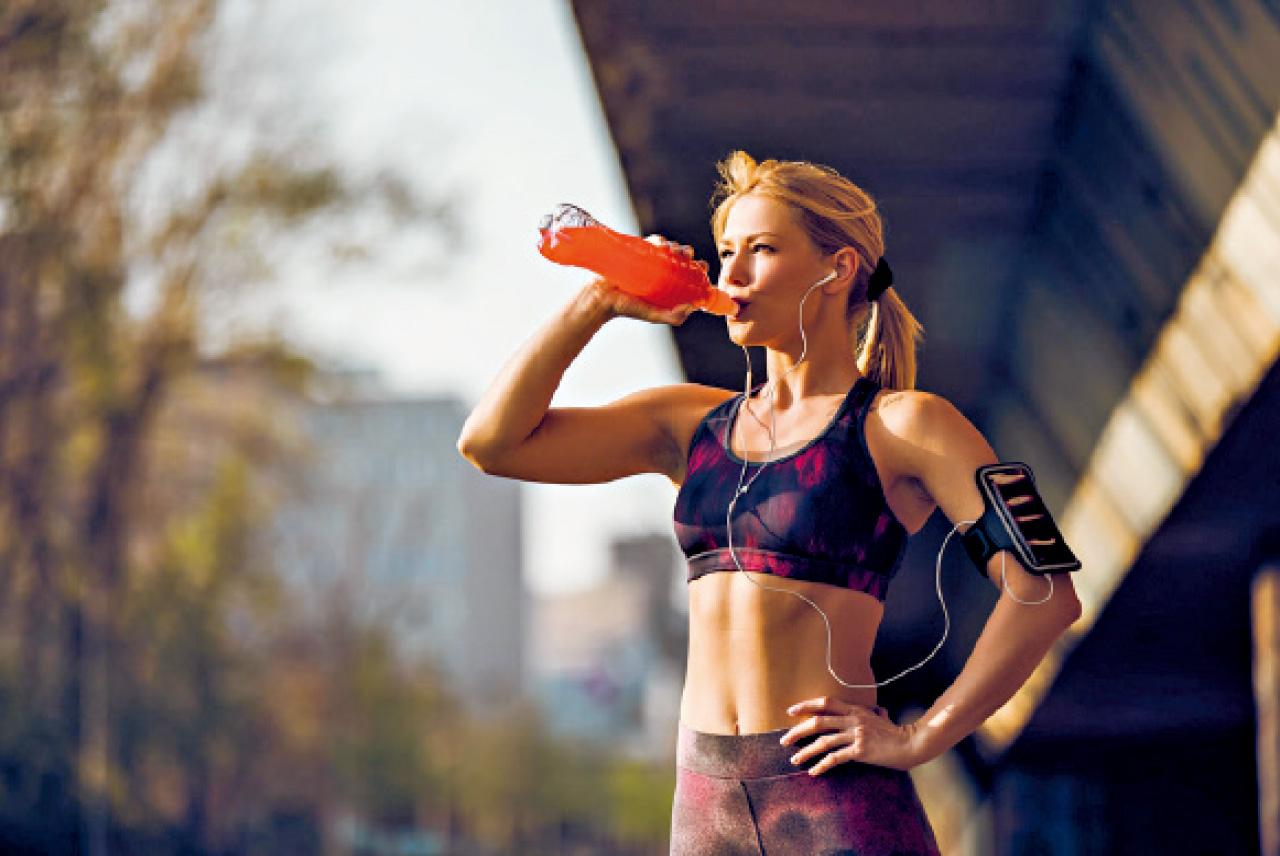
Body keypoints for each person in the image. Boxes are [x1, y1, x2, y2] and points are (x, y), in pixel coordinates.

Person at [457, 151, 1082, 855]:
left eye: (761, 250)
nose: (732, 276)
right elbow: (491, 444)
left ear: (837, 268)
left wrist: (921, 735)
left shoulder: (905, 424)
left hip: (833, 799)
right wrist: (595, 304)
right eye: (726, 253)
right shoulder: (688, 425)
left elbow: (1045, 591)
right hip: (704, 801)